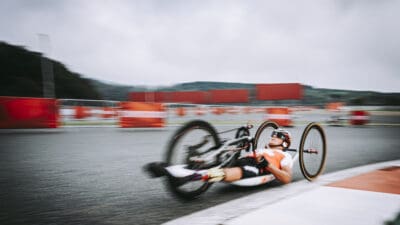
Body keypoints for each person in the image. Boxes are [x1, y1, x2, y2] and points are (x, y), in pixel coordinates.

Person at [146, 128, 293, 185]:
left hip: (257, 168)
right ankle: (173, 169)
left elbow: (286, 178)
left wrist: (268, 165)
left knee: (226, 173)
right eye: (273, 134)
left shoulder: (284, 155)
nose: (274, 136)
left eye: (279, 136)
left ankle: (190, 177)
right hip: (244, 160)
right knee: (217, 159)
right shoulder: (261, 148)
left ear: (285, 143)